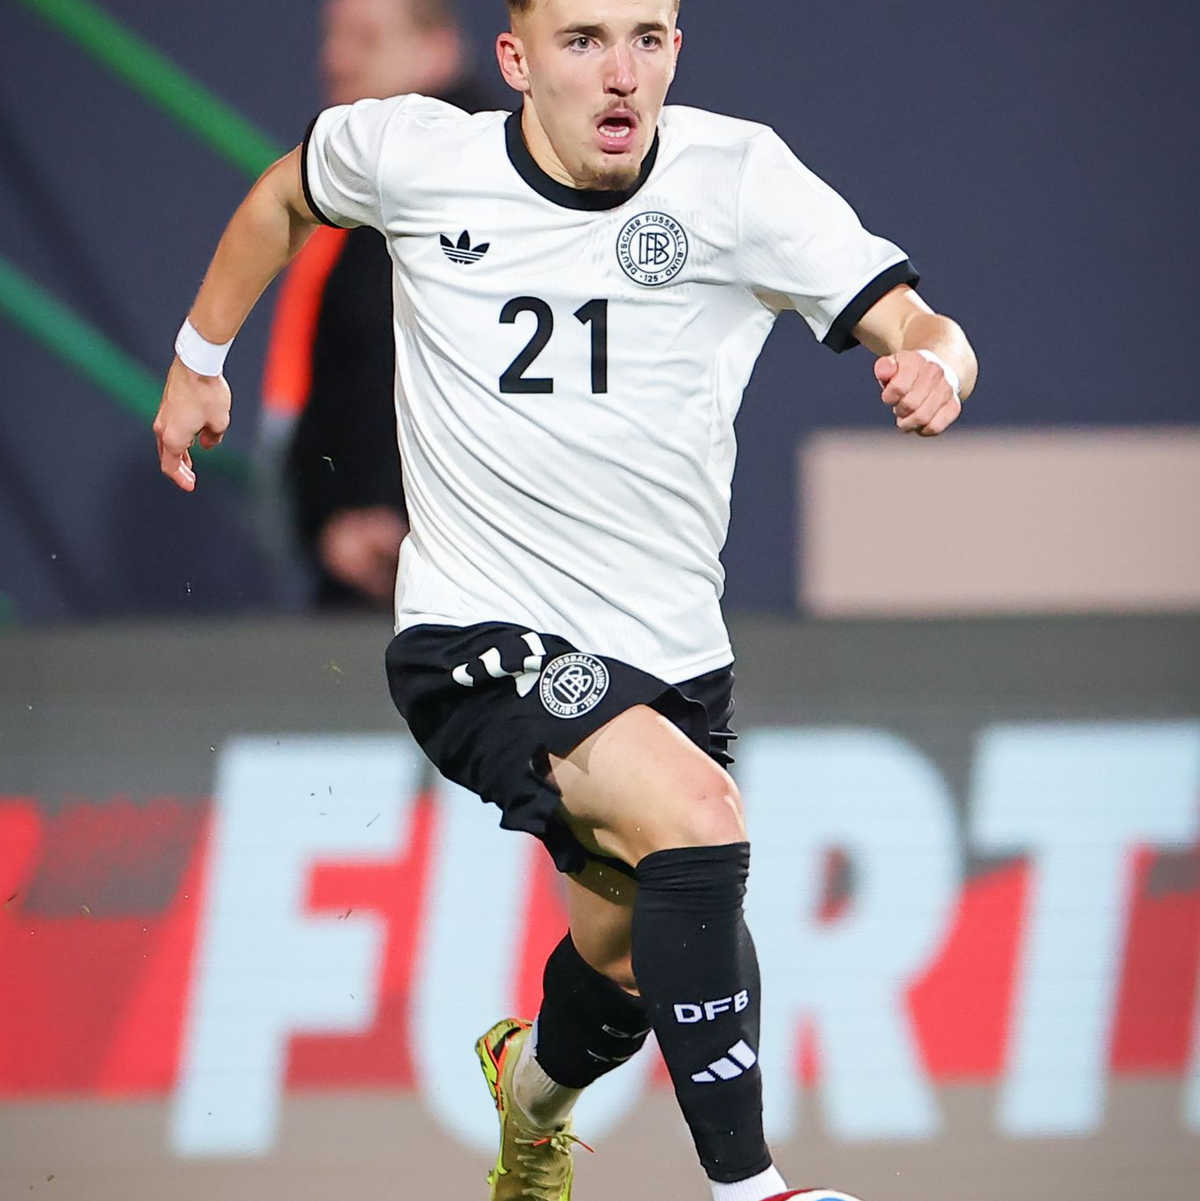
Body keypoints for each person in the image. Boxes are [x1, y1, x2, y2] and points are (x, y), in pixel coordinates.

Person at [153, 1, 978, 1197]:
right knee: (701, 817)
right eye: (584, 41)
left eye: (648, 38)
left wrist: (935, 367)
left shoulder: (738, 179)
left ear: (677, 54)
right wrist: (198, 356)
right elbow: (286, 193)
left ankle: (530, 1098)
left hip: (670, 660)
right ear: (516, 61)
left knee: (629, 960)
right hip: (473, 638)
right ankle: (751, 1189)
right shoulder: (418, 155)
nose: (621, 74)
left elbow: (925, 322)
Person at [258, 0, 498, 609]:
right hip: (367, 575)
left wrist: (407, 522)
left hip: (469, 581)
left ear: (437, 47)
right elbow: (339, 381)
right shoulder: (352, 184)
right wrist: (330, 520)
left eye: (364, 40)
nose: (333, 60)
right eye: (332, 38)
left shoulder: (498, 178)